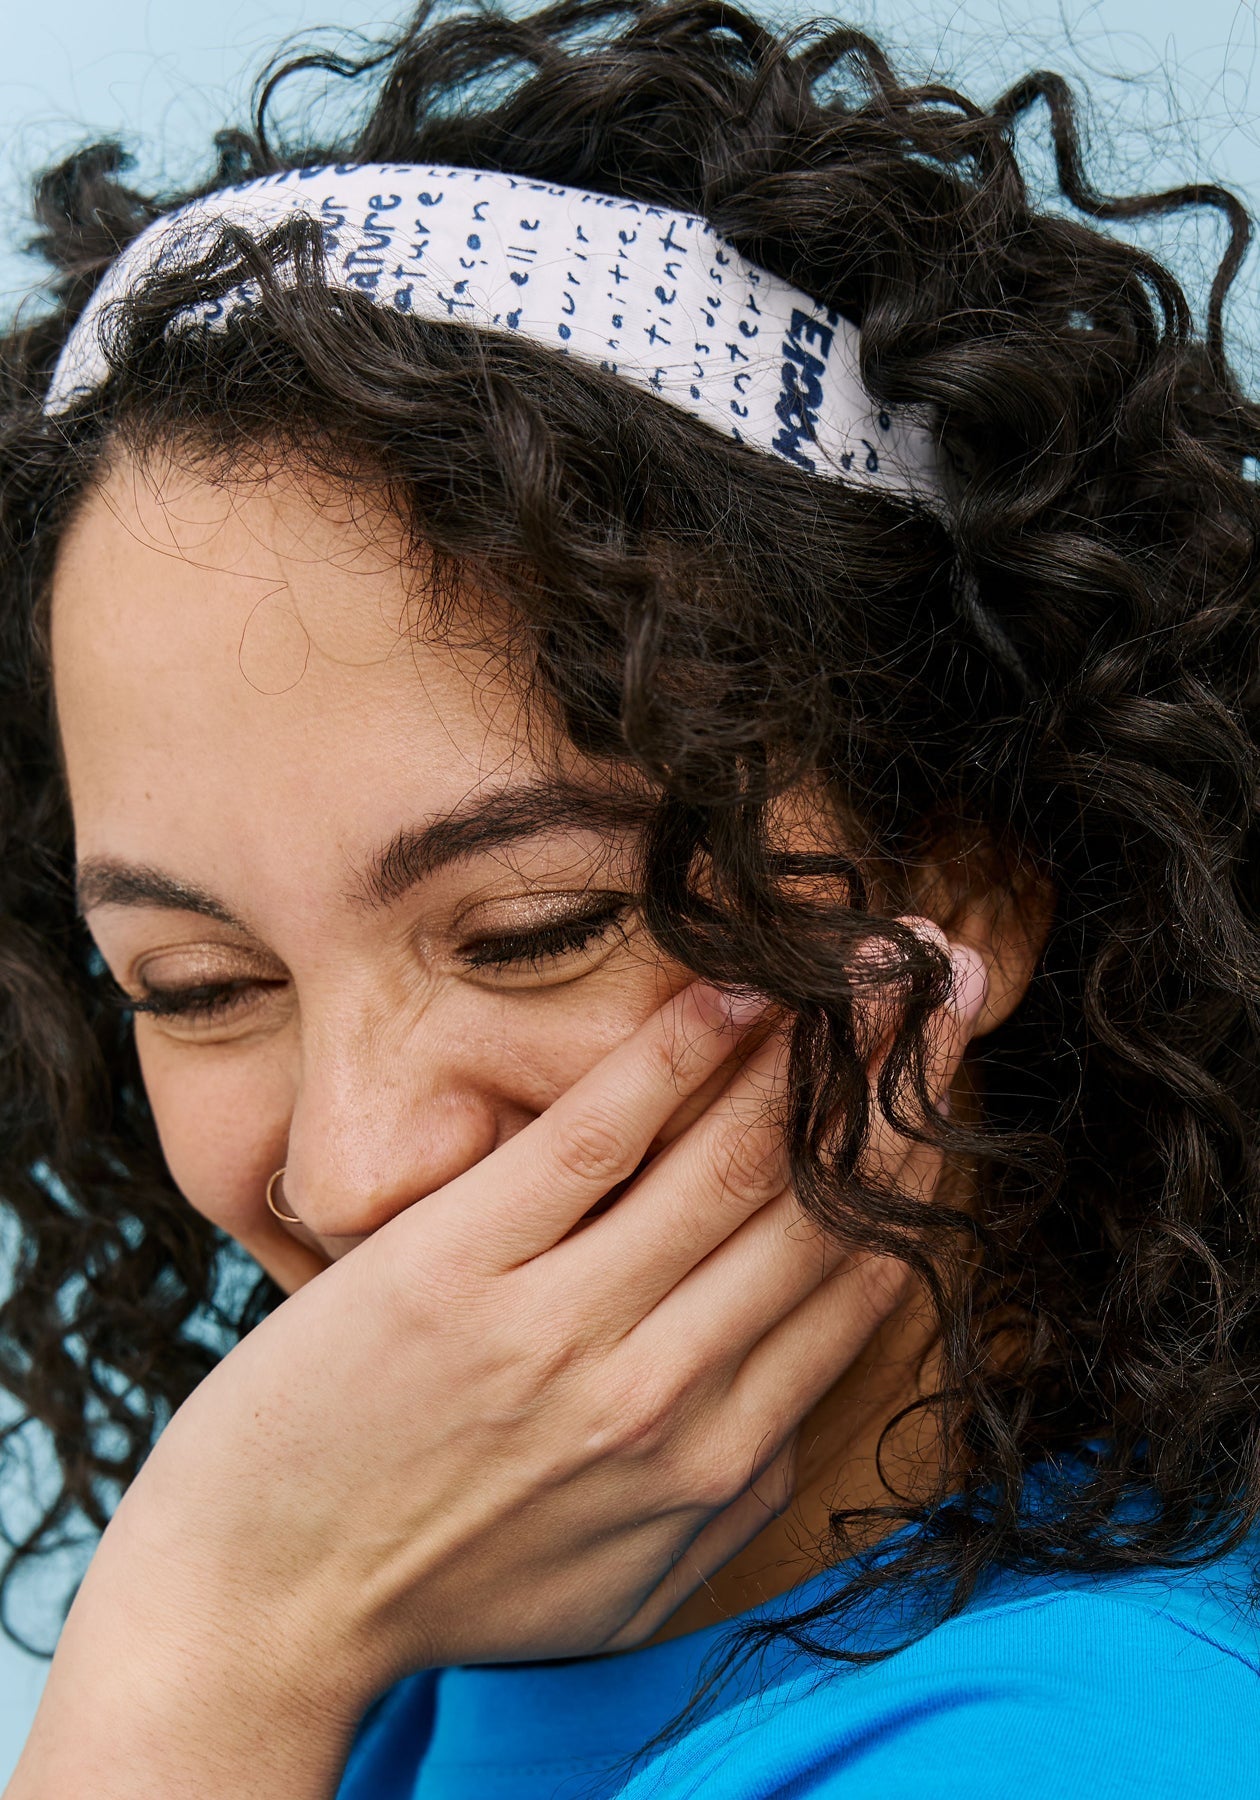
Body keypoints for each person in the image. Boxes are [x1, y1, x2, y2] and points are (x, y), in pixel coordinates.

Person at [1, 2, 1258, 1793]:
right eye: (195, 983)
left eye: (538, 928)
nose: (361, 1169)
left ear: (972, 879)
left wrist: (216, 1632)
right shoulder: (422, 1645)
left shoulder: (1080, 1750)